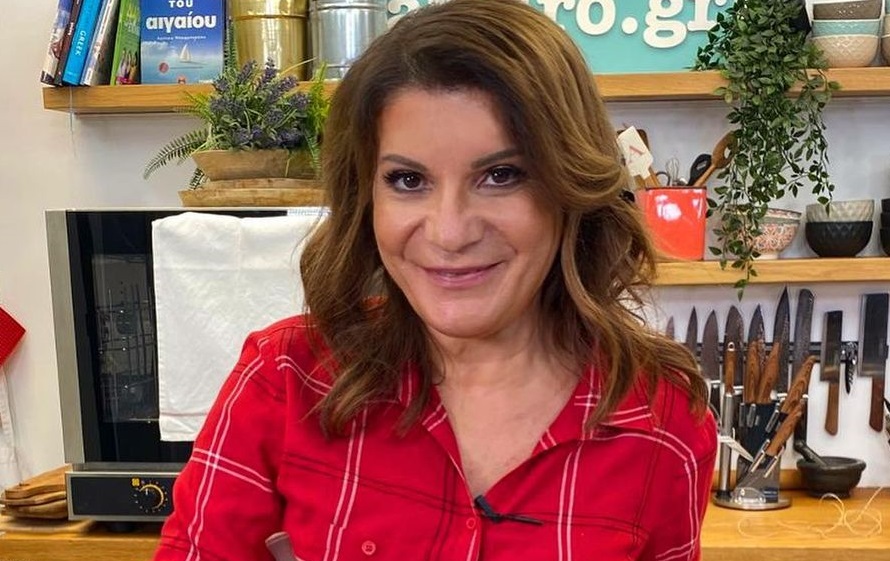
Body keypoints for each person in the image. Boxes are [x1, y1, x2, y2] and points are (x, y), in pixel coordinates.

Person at [154, 1, 716, 560]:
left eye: (501, 175)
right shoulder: (285, 378)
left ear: (572, 187)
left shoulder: (662, 421)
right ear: (365, 197)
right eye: (407, 180)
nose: (449, 232)